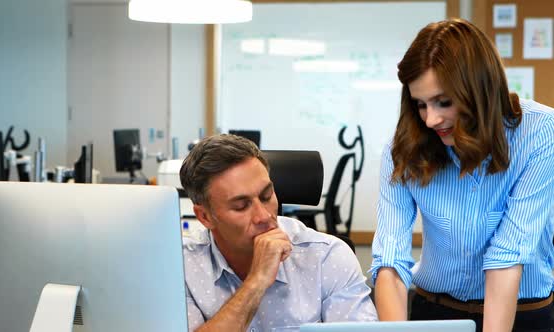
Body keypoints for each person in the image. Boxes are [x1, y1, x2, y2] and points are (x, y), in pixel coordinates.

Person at [371, 18, 554, 332]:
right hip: (435, 310)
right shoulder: (402, 148)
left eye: (444, 102)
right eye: (420, 104)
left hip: (524, 313)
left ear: (479, 90)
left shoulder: (539, 133)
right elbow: (390, 259)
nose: (431, 119)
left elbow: (507, 256)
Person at [179, 134, 377, 331]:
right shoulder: (181, 266)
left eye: (267, 196)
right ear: (205, 217)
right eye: (241, 206)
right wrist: (256, 281)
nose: (264, 216)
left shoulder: (327, 256)